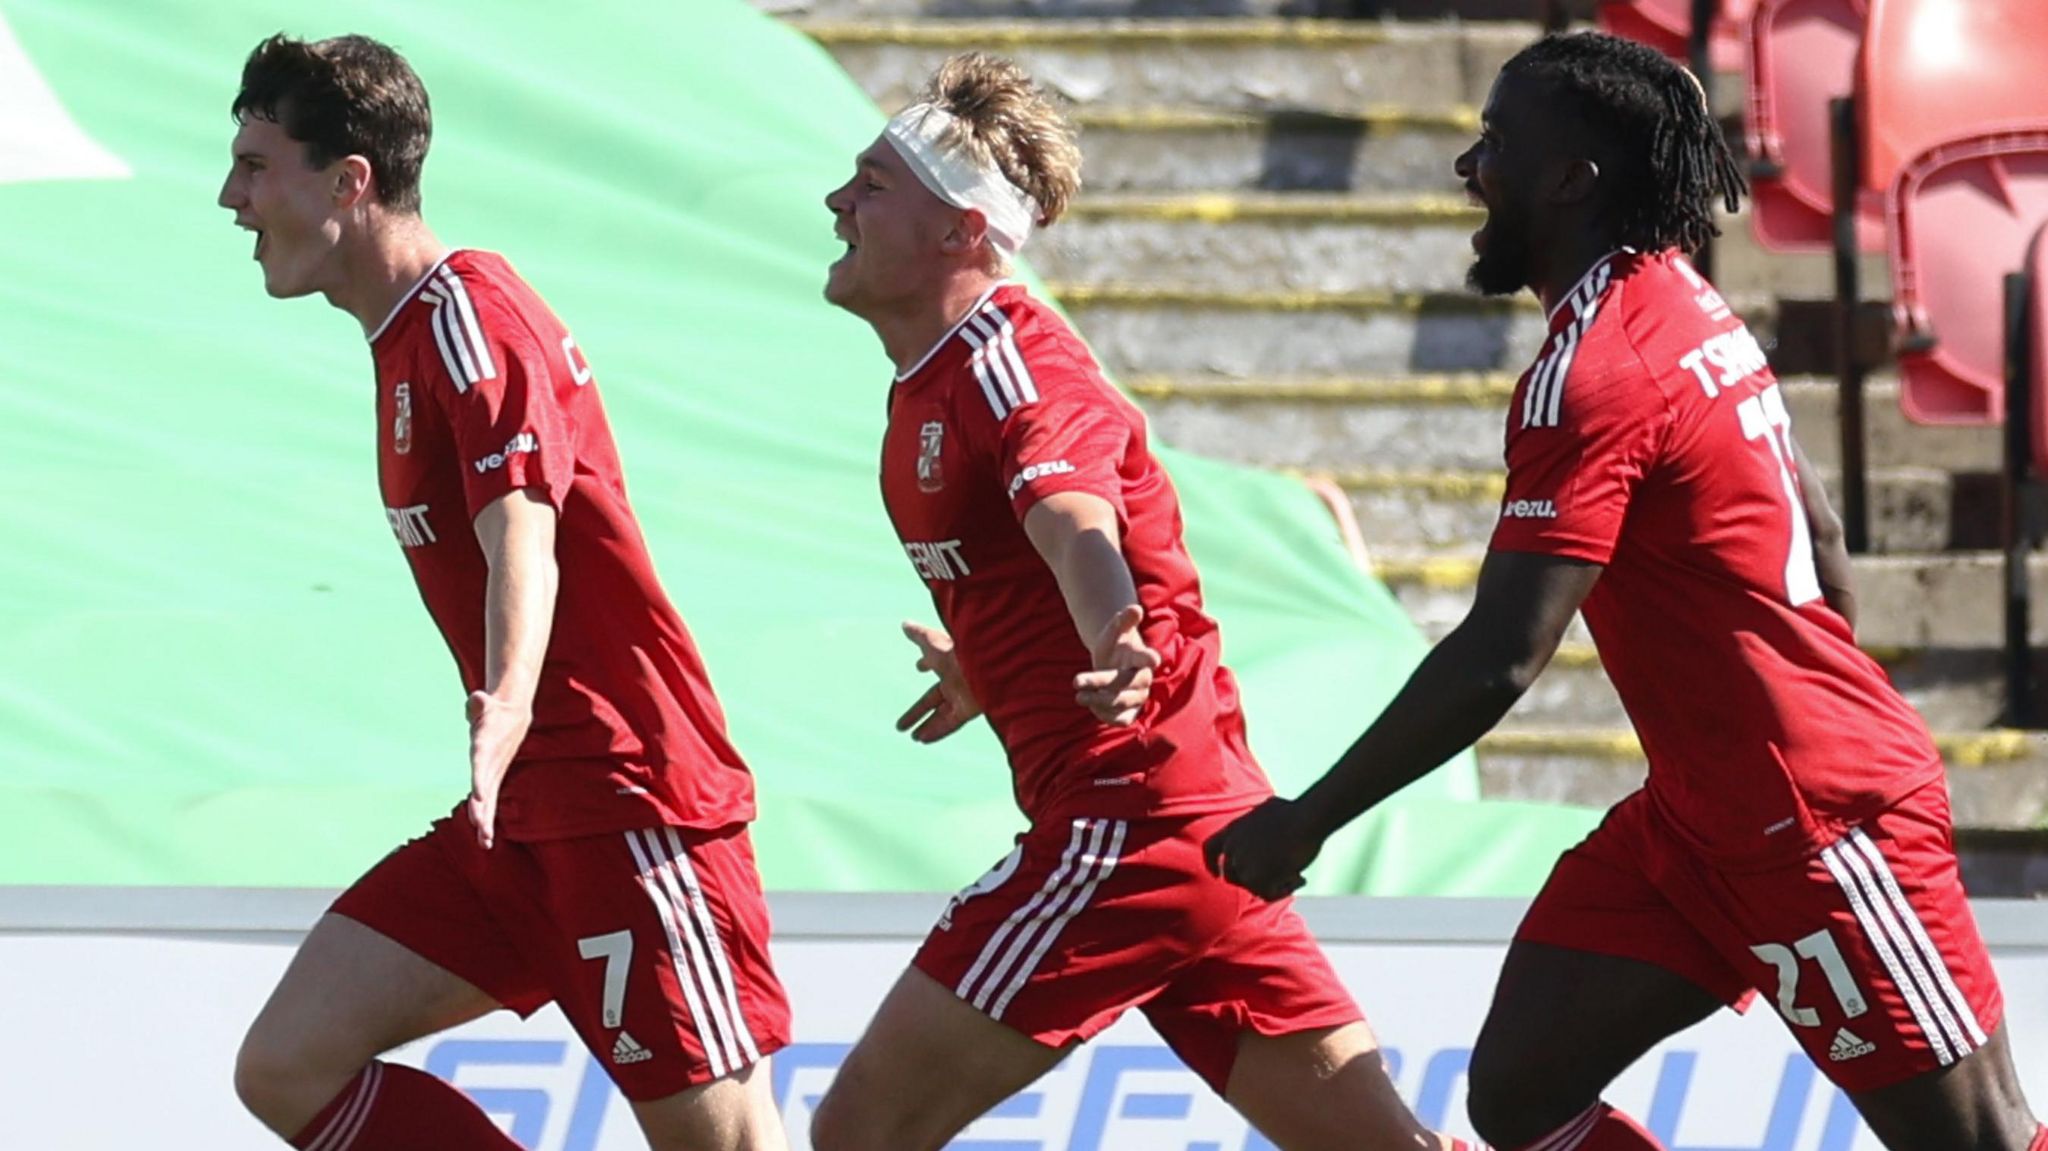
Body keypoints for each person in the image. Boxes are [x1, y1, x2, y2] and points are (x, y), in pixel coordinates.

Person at [1205, 31, 2047, 1151]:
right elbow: (1826, 538)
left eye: (1495, 142)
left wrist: (1304, 820)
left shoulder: (1594, 368)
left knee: (1977, 1143)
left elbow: (1503, 652)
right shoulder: (1682, 302)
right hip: (1702, 818)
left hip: (1814, 822)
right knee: (1517, 1093)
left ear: (1571, 179)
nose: (1469, 164)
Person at [810, 51, 1476, 1151]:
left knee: (859, 1132)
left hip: (1127, 819)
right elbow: (1043, 543)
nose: (838, 201)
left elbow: (1076, 518)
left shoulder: (1011, 362)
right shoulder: (932, 379)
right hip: (1201, 823)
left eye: (872, 185)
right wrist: (993, 661)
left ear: (959, 234)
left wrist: (1110, 623)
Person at [217, 34, 790, 1151]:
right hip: (524, 814)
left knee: (726, 1144)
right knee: (288, 1064)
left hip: (627, 799)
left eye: (253, 164)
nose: (231, 197)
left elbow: (521, 516)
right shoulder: (402, 338)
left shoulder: (467, 309)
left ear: (349, 181)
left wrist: (509, 696)